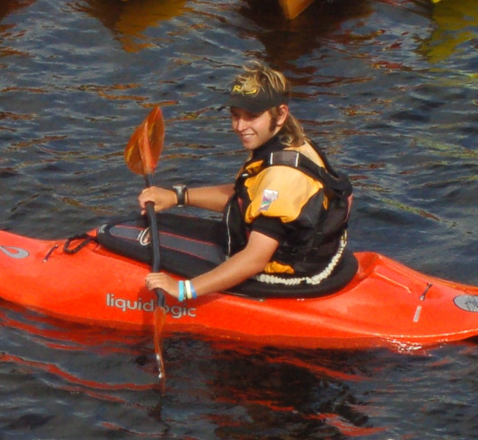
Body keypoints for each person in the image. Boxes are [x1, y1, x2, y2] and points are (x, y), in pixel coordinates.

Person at [110, 59, 355, 302]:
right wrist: (177, 197)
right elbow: (247, 197)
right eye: (235, 115)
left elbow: (255, 259)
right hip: (316, 258)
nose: (240, 126)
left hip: (290, 277)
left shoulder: (283, 178)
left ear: (280, 114)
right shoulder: (291, 143)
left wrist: (184, 289)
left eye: (252, 116)